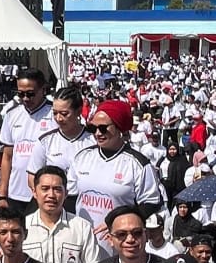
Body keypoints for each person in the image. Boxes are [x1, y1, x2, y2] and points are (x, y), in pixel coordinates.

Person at [67, 99, 163, 249]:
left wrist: (118, 220)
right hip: (81, 241)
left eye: (103, 128)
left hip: (118, 245)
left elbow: (151, 203)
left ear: (119, 128)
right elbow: (71, 198)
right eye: (93, 128)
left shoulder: (138, 164)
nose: (98, 133)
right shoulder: (82, 158)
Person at [21, 165, 95, 263]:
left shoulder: (81, 227)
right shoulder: (22, 227)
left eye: (57, 189)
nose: (51, 195)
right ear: (34, 192)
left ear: (66, 193)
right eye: (45, 189)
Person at [0, 68, 52, 210]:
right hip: (15, 194)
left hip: (43, 196)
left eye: (30, 94)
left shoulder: (55, 115)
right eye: (21, 94)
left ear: (43, 89)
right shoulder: (11, 115)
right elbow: (7, 157)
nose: (26, 98)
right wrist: (2, 195)